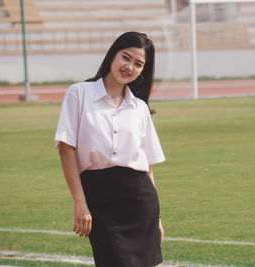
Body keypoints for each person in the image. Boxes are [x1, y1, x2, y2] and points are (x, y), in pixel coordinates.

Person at [55, 31, 165, 267]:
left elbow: (147, 166)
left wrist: (157, 218)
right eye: (126, 57)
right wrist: (80, 202)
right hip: (99, 201)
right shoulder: (79, 94)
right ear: (113, 54)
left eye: (138, 64)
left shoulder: (140, 109)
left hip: (140, 201)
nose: (129, 67)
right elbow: (66, 149)